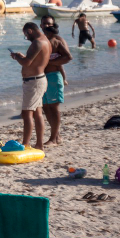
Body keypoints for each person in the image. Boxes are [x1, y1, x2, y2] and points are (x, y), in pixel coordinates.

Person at [10, 23, 51, 150]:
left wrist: (17, 57)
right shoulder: (45, 41)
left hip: (34, 82)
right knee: (37, 112)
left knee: (26, 114)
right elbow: (32, 61)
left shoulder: (37, 43)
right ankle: (39, 144)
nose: (26, 38)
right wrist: (22, 57)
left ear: (30, 31)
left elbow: (27, 63)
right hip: (39, 80)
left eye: (26, 35)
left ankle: (25, 144)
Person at [40, 17, 72, 147]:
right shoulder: (42, 39)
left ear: (53, 26)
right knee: (46, 107)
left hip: (54, 76)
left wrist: (50, 63)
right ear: (40, 25)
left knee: (54, 107)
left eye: (49, 23)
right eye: (44, 23)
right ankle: (56, 135)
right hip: (43, 77)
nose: (47, 25)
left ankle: (53, 138)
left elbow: (67, 57)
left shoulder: (58, 40)